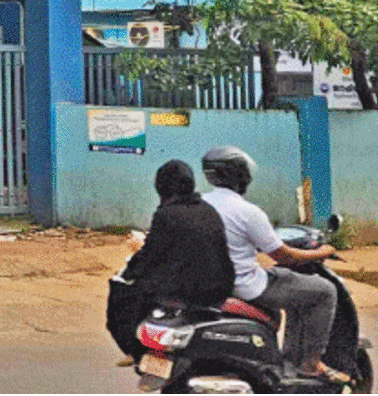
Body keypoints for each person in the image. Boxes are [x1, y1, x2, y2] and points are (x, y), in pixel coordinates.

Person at [201, 146, 346, 384]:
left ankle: (288, 360)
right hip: (246, 286)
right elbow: (285, 257)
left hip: (212, 283)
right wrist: (321, 252)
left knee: (297, 291)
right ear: (242, 176)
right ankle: (309, 364)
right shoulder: (248, 212)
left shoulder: (200, 204)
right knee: (324, 291)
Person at [107, 160, 233, 359]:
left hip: (186, 290)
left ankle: (134, 350)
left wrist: (130, 268)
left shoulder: (166, 214)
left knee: (123, 293)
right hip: (220, 288)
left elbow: (151, 258)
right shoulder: (208, 210)